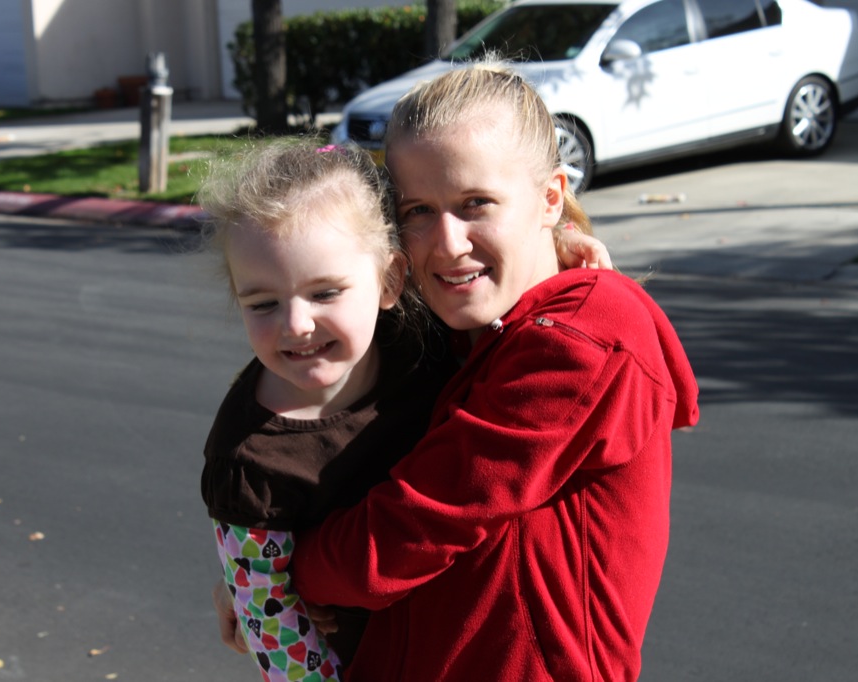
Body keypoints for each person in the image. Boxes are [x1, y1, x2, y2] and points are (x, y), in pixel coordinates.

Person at [286, 63, 700, 681]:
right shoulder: (463, 331)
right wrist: (258, 578)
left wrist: (278, 576)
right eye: (418, 210)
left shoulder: (581, 338)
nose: (448, 242)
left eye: (475, 203)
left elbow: (415, 524)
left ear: (550, 198)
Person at [198, 137, 613, 681]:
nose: (295, 324)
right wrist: (248, 588)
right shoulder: (248, 460)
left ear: (390, 281)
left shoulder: (419, 337)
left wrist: (560, 244)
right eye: (263, 302)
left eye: (325, 293)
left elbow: (497, 287)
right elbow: (275, 635)